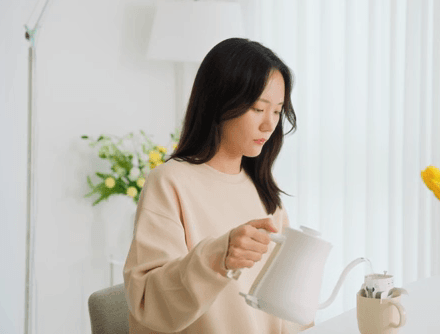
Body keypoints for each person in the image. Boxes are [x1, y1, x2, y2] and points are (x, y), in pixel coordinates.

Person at [123, 38, 312, 333]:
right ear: (220, 102)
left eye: (277, 111)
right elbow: (148, 301)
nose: (269, 125)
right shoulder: (169, 182)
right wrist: (218, 256)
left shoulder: (263, 191)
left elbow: (282, 307)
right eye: (257, 108)